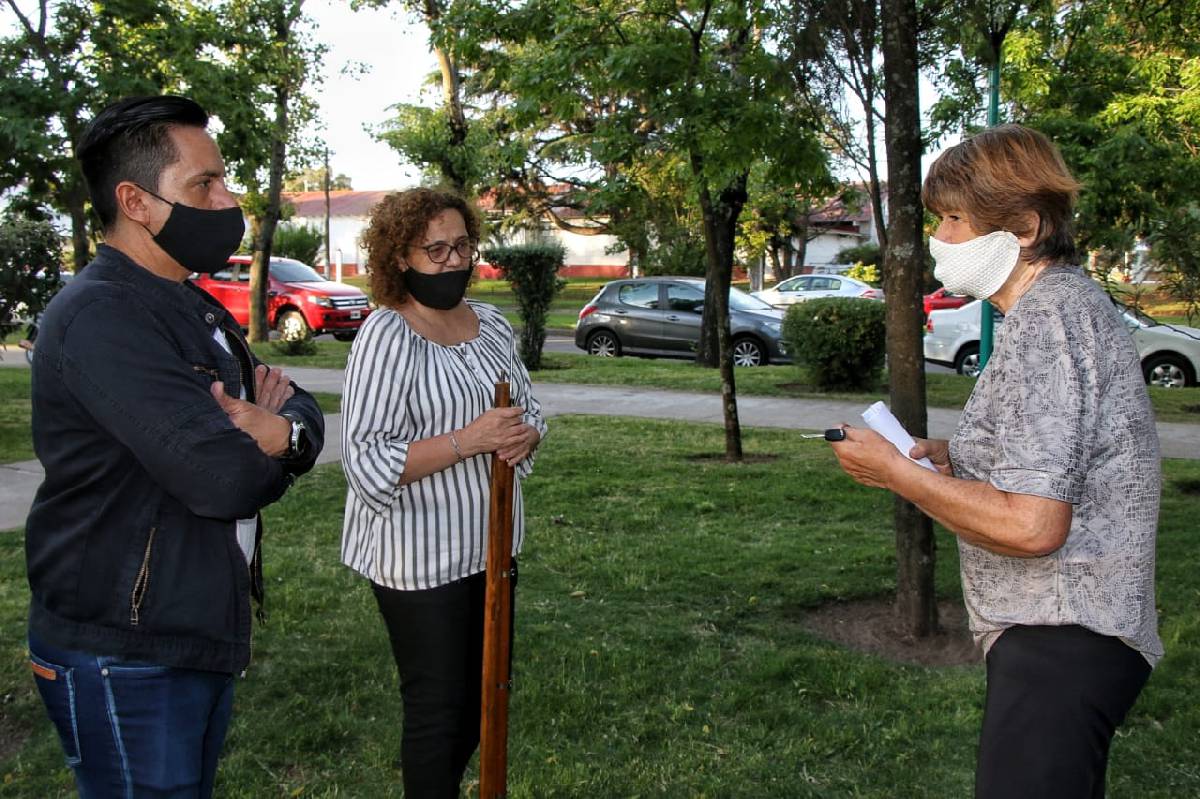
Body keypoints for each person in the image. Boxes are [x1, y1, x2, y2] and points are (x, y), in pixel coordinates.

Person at [829, 124, 1161, 799]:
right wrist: (957, 457)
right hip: (1063, 640)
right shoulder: (1055, 308)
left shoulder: (1051, 320)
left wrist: (901, 474)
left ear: (1027, 226)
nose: (940, 237)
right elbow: (1061, 453)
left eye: (954, 218)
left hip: (1062, 638)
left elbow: (1035, 525)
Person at [24, 95, 325, 797]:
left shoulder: (190, 303)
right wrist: (277, 441)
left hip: (187, 629)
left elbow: (292, 402)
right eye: (204, 185)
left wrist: (283, 432)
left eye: (223, 180)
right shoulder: (102, 316)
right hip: (124, 648)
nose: (227, 199)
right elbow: (220, 478)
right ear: (135, 200)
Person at [340, 188, 546, 798]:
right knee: (439, 712)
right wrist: (473, 439)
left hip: (491, 546)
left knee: (485, 697)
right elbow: (366, 459)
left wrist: (524, 437)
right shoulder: (386, 336)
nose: (454, 260)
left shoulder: (493, 327)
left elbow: (530, 411)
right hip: (416, 557)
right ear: (400, 257)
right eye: (436, 250)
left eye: (462, 245)